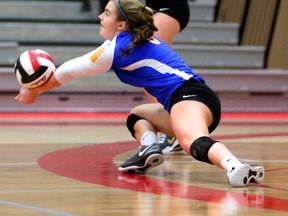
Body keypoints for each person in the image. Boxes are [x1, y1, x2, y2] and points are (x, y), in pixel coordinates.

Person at [15, 0, 264, 187]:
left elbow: (67, 72)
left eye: (107, 13)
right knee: (137, 116)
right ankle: (148, 149)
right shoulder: (125, 42)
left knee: (192, 142)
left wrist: (33, 90)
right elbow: (70, 69)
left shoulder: (118, 48)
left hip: (190, 96)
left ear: (121, 24)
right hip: (187, 99)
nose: (100, 16)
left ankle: (236, 167)